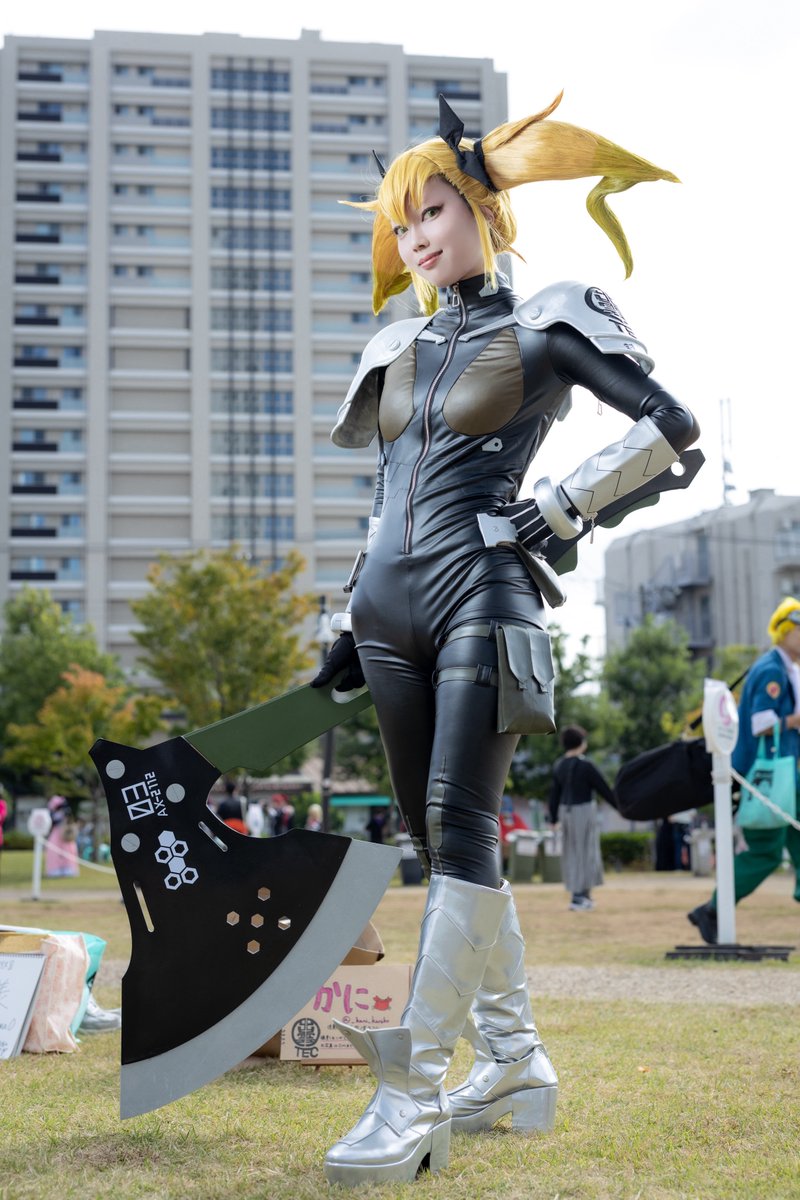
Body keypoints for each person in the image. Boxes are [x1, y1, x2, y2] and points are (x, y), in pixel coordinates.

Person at [311, 91, 699, 1186]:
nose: (416, 237)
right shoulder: (398, 343)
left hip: (483, 594)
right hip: (386, 614)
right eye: (402, 223)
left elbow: (671, 428)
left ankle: (412, 1091)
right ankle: (516, 1063)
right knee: (439, 844)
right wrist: (346, 615)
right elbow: (386, 491)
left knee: (459, 823)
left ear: (484, 209)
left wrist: (564, 506)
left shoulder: (548, 320)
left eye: (432, 211)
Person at [689, 597, 800, 943]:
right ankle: (712, 909)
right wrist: (796, 720)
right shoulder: (772, 670)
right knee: (765, 850)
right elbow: (761, 724)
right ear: (784, 631)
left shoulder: (781, 667)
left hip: (783, 775)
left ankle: (713, 908)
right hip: (770, 777)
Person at [549, 725, 614, 911]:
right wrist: (622, 807)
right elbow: (605, 790)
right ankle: (579, 897)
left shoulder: (559, 765)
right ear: (581, 743)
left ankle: (582, 895)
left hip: (565, 812)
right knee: (586, 853)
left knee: (572, 853)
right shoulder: (586, 765)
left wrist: (553, 819)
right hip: (584, 811)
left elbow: (554, 795)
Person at [45, 795, 80, 878]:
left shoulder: (66, 811)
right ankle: (55, 870)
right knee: (54, 851)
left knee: (68, 851)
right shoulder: (52, 813)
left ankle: (68, 869)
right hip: (56, 834)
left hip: (65, 833)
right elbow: (52, 822)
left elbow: (70, 819)